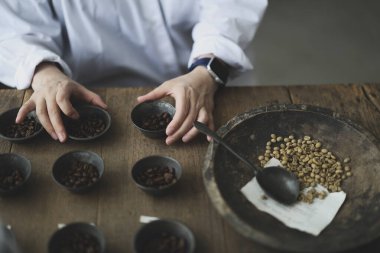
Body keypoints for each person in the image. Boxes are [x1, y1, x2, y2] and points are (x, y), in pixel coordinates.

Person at [0, 0, 267, 145]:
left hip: (201, 73)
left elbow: (229, 6)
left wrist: (208, 70)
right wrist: (44, 72)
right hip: (81, 86)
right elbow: (11, 22)